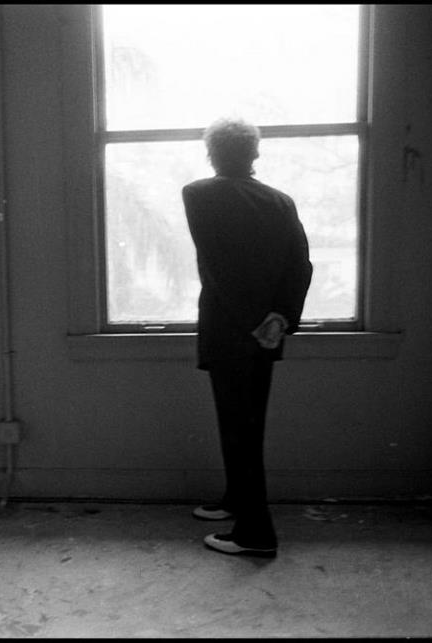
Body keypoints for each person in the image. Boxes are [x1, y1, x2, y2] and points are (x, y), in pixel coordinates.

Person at [182, 117, 312, 557]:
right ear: (254, 153)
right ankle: (236, 501)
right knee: (246, 426)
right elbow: (301, 267)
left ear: (211, 153)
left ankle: (255, 534)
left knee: (238, 427)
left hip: (230, 329)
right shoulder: (280, 201)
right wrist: (277, 319)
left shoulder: (198, 194)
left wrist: (251, 319)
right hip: (267, 334)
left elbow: (220, 268)